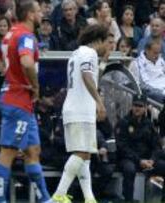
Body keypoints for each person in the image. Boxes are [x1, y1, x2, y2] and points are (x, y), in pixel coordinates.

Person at [0, 1, 52, 203]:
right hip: (17, 100)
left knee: (32, 150)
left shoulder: (9, 34)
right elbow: (26, 61)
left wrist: (9, 74)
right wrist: (34, 86)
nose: (41, 13)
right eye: (37, 10)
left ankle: (45, 199)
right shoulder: (25, 36)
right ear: (29, 14)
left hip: (20, 101)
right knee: (8, 151)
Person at [52, 24, 109, 203]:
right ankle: (59, 194)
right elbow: (86, 75)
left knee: (86, 155)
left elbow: (92, 77)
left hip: (75, 108)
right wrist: (99, 102)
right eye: (107, 42)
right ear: (98, 40)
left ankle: (89, 198)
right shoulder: (89, 53)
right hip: (80, 110)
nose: (107, 46)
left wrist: (104, 62)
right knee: (82, 154)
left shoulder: (77, 53)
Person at [115, 94, 165, 202]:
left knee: (163, 166)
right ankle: (128, 200)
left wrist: (152, 160)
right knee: (129, 169)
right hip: (129, 159)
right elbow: (122, 147)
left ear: (145, 107)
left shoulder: (149, 124)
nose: (137, 108)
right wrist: (139, 160)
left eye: (140, 106)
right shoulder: (123, 123)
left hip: (147, 160)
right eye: (135, 105)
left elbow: (157, 146)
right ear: (131, 106)